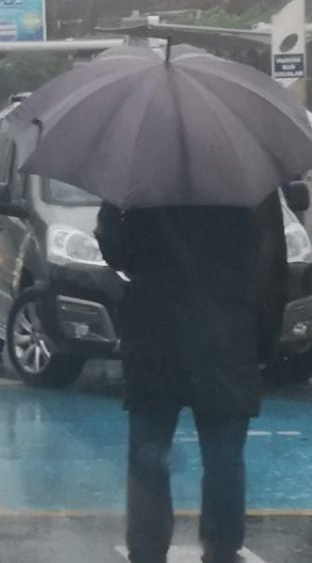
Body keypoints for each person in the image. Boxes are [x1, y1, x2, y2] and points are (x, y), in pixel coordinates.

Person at [95, 192, 288, 563]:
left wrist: (115, 214)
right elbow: (272, 266)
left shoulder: (145, 175)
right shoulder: (247, 180)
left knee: (149, 455)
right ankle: (221, 549)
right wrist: (263, 342)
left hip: (156, 332)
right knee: (224, 457)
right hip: (227, 333)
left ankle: (147, 550)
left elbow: (116, 251)